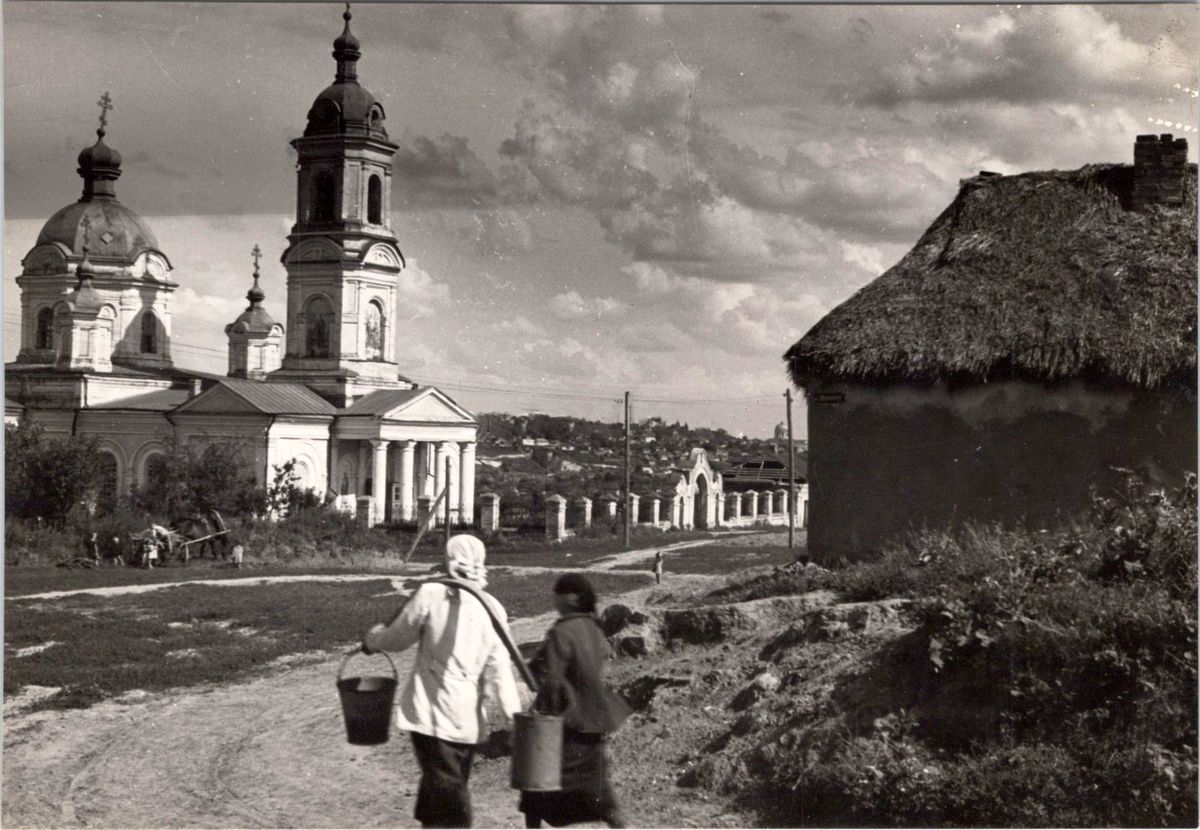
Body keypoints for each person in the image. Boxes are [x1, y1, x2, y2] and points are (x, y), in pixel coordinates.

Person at [362, 534, 523, 829]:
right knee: (445, 785)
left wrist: (374, 640)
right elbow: (500, 674)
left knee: (449, 796)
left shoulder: (431, 594)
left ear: (449, 559)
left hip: (430, 713)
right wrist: (515, 720)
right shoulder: (493, 609)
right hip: (468, 721)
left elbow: (397, 638)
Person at [520, 573, 631, 829]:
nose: (554, 599)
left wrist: (538, 700)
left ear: (571, 598)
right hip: (594, 722)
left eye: (557, 594)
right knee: (601, 796)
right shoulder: (594, 629)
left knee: (535, 789)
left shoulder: (561, 631)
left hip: (568, 725)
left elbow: (550, 679)